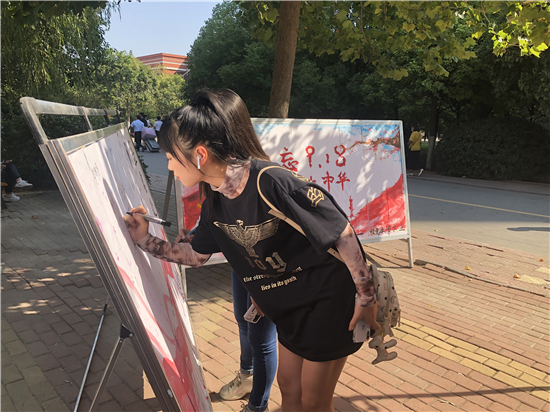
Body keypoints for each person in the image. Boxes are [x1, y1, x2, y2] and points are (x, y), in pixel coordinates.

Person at [125, 89, 380, 412]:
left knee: (314, 401)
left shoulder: (271, 182)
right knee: (289, 389)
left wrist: (366, 298)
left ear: (200, 154)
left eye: (172, 157)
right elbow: (196, 256)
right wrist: (144, 239)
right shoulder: (215, 200)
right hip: (289, 308)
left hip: (326, 301)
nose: (170, 165)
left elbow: (342, 232)